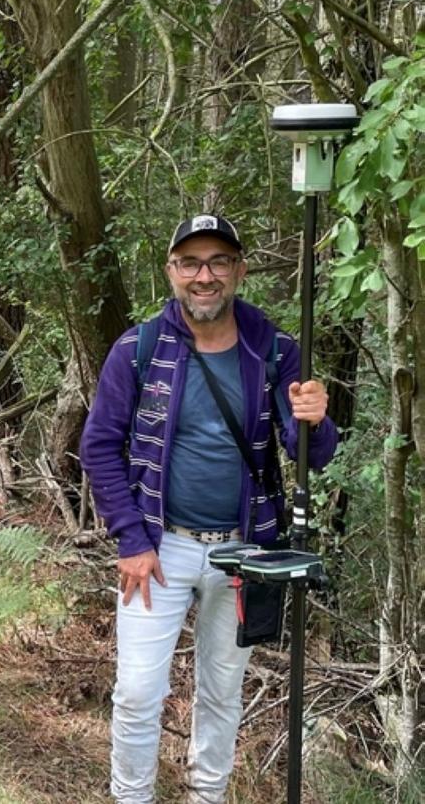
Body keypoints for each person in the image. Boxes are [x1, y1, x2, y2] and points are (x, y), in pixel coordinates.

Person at [79, 214, 337, 802]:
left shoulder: (273, 350)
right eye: (191, 263)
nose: (205, 276)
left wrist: (316, 419)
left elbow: (311, 454)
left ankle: (208, 795)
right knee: (140, 691)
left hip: (245, 550)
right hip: (158, 545)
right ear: (172, 272)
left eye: (219, 262)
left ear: (239, 272)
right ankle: (131, 796)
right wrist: (131, 539)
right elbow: (98, 445)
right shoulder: (139, 349)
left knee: (222, 688)